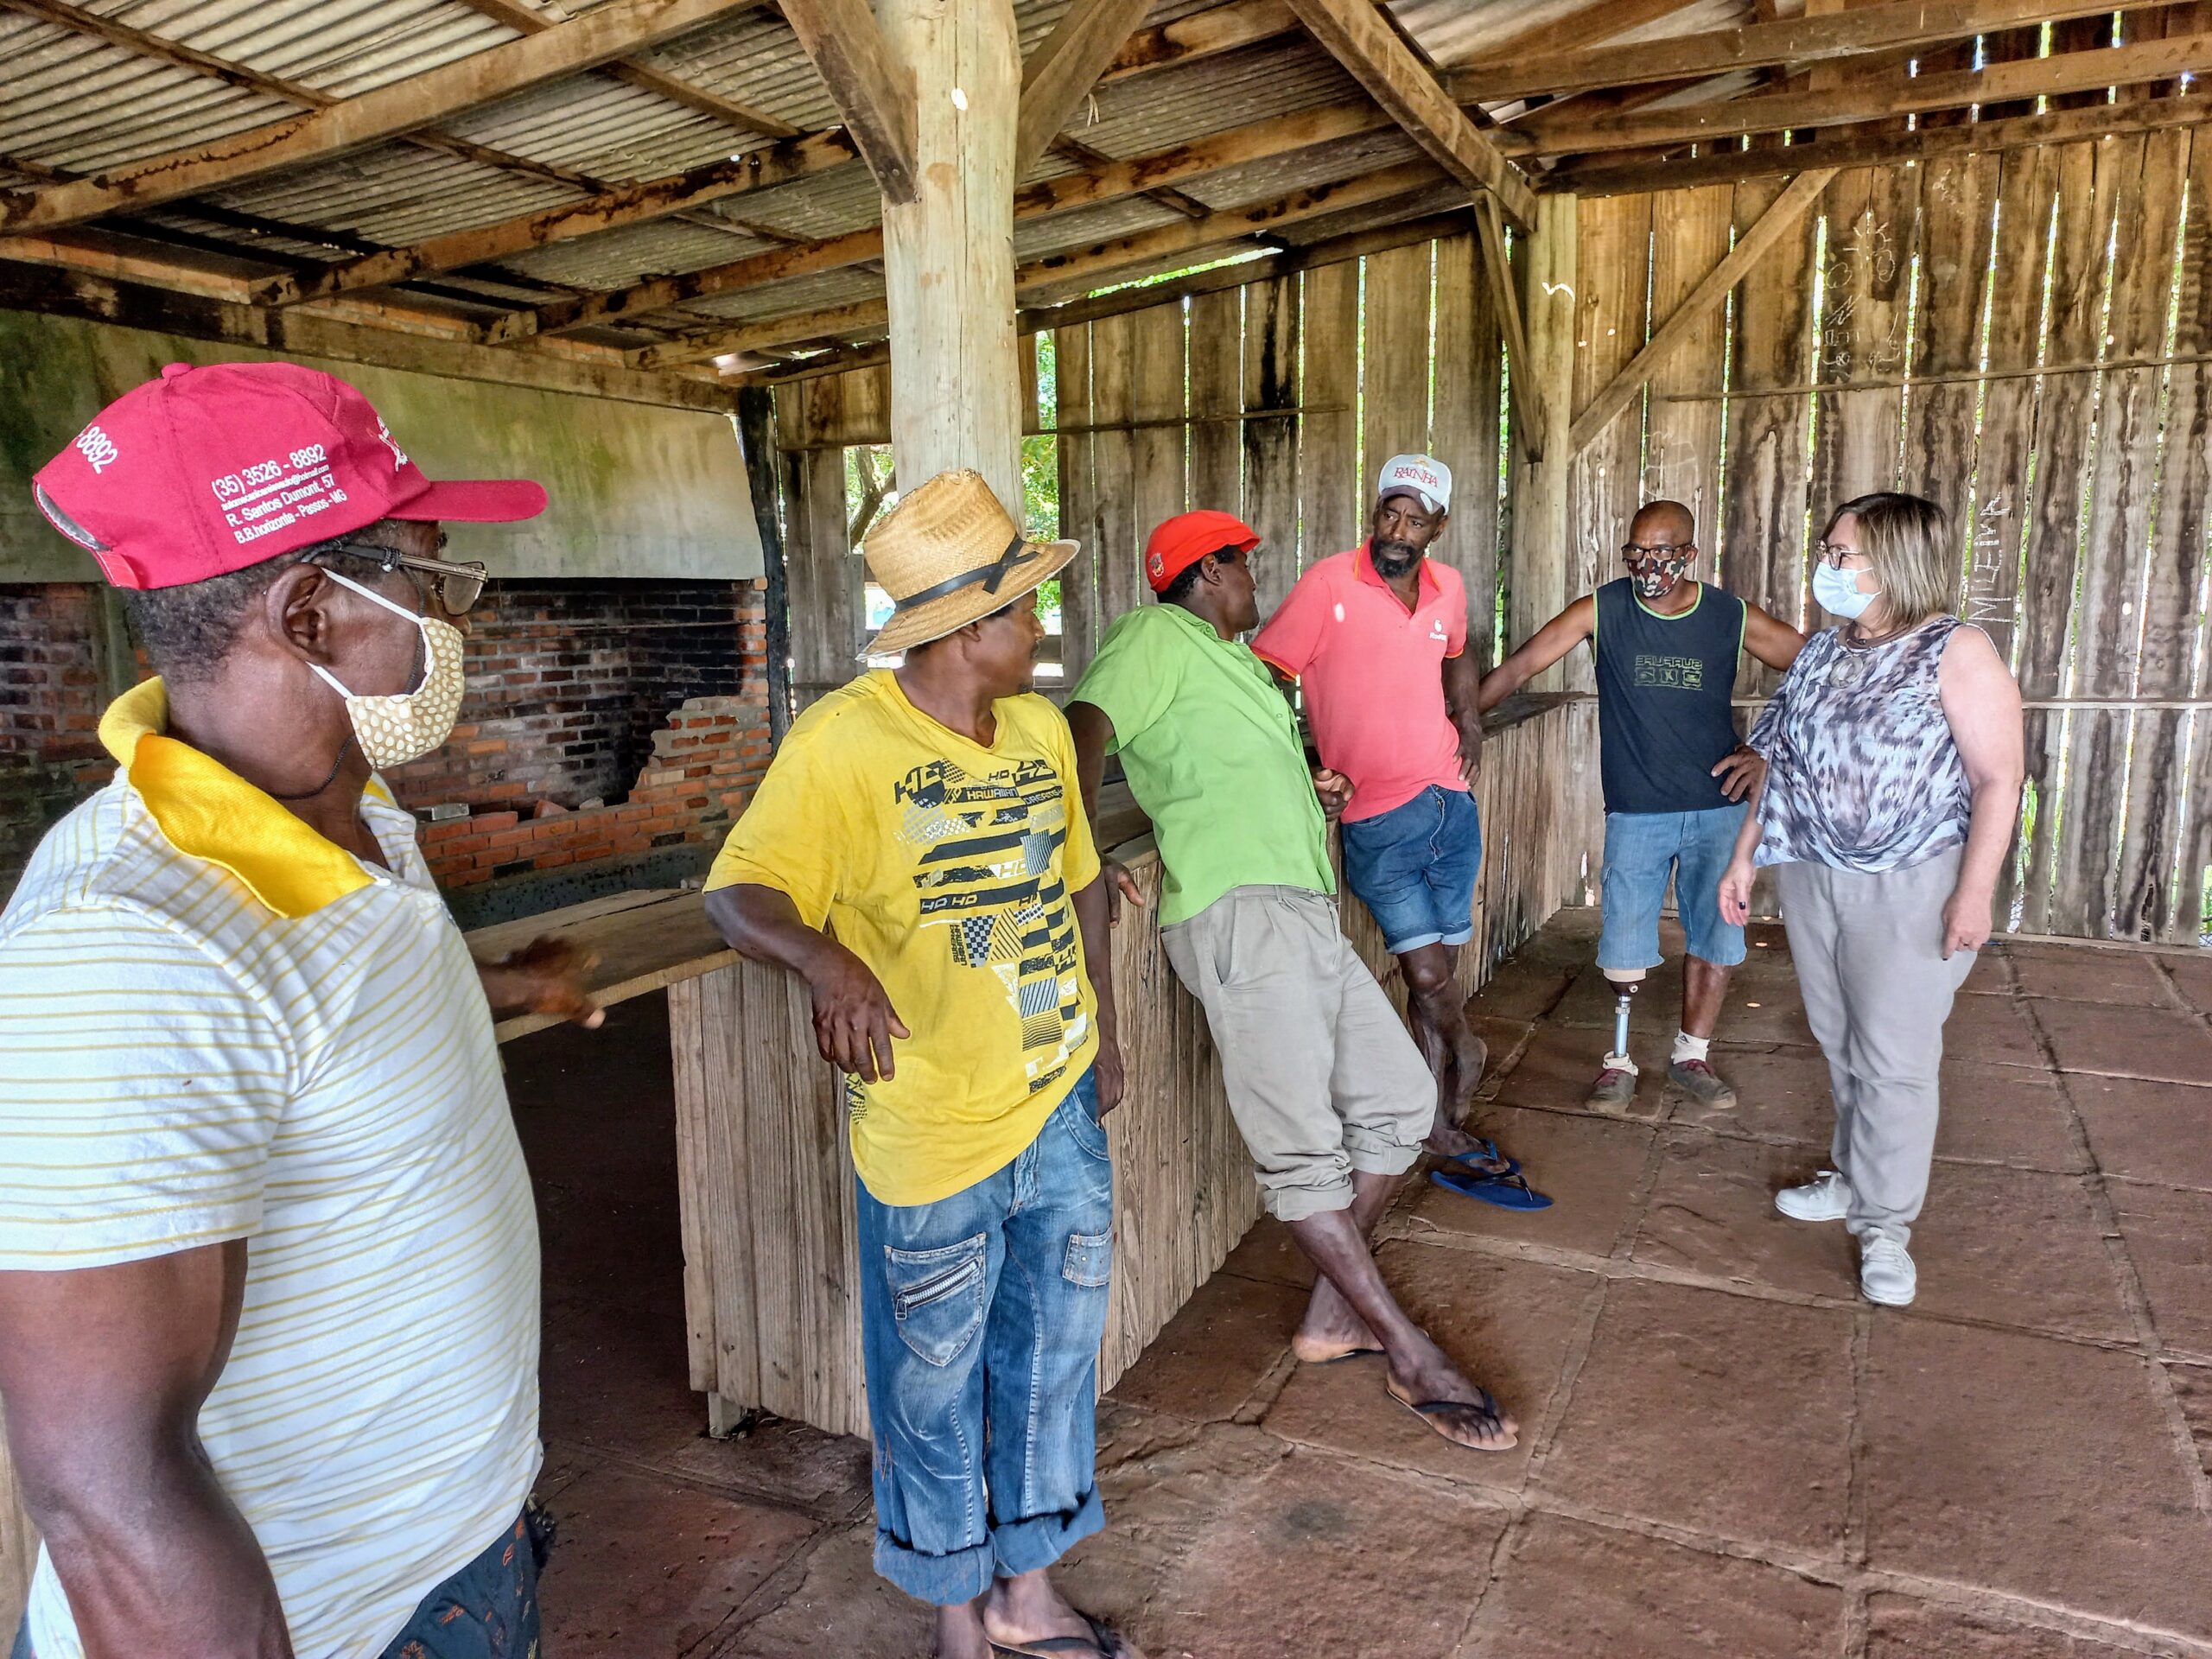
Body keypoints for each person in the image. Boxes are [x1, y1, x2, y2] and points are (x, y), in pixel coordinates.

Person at [0, 362, 605, 1659]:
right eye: (430, 583)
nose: (455, 623)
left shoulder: (350, 799)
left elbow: (309, 1038)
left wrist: (493, 987)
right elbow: (106, 1494)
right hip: (345, 1622)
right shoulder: (123, 945)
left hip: (458, 1546)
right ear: (313, 614)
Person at [701, 470, 1136, 1659]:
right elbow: (738, 893)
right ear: (966, 629)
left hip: (1061, 1111)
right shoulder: (842, 744)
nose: (1042, 627)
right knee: (932, 1386)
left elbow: (1082, 883)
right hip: (931, 1132)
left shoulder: (1043, 732)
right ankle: (956, 1614)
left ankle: (1028, 1595)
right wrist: (826, 963)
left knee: (1053, 1364)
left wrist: (1103, 1031)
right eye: (1024, 608)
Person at [1067, 508, 1522, 1454]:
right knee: (1303, 1149)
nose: (1252, 583)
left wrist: (1305, 784)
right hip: (1237, 910)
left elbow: (1218, 762)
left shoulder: (1233, 666)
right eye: (1242, 566)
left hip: (1300, 908)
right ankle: (1406, 1349)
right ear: (1208, 571)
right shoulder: (1155, 636)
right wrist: (1075, 845)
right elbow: (1084, 728)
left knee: (1400, 1104)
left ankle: (1332, 1314)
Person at [1719, 493, 2024, 1308]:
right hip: (1818, 873)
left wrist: (1974, 895)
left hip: (1914, 880)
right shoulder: (1823, 653)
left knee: (1895, 1056)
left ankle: (1886, 1225)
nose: (1829, 565)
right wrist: (1745, 858)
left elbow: (2000, 778)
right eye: (1829, 550)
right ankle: (1854, 1178)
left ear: (1893, 562)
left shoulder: (1954, 652)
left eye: (1842, 553)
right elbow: (1777, 764)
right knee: (1841, 1037)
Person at [1249, 455, 1522, 1196]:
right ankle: (1467, 1050)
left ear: (1438, 526)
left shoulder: (1450, 588)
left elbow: (1461, 651)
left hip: (1449, 805)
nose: (1397, 532)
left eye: (1414, 520)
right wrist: (1298, 765)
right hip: (1374, 815)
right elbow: (1264, 676)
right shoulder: (1329, 585)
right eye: (1388, 515)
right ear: (1375, 515)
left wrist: (1465, 712)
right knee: (1426, 974)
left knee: (1440, 973)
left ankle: (1432, 1116)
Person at [1479, 499, 1805, 1111]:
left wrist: (1769, 753)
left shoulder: (1729, 616)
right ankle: (1619, 1061)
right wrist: (1458, 723)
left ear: (1689, 555)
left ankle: (1692, 1056)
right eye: (1636, 553)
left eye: (1662, 554)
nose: (1648, 566)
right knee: (1624, 945)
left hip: (1719, 806)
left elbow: (1818, 670)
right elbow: (1520, 666)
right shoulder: (1601, 610)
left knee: (1715, 935)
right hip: (1637, 808)